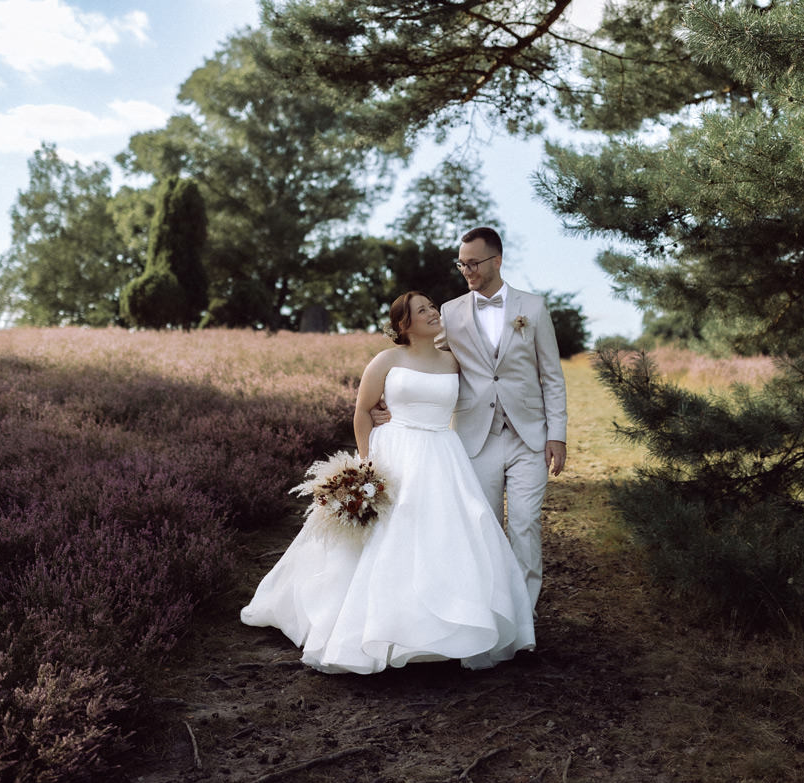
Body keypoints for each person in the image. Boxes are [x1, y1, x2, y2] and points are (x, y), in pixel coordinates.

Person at [240, 291, 536, 674]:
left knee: (449, 533)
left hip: (442, 453)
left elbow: (489, 388)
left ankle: (445, 627)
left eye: (432, 307)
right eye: (422, 310)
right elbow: (363, 412)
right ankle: (374, 628)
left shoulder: (454, 360)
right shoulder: (387, 360)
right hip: (395, 452)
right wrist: (366, 467)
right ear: (403, 324)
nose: (433, 313)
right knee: (387, 536)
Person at [373, 227, 567, 610]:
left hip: (530, 436)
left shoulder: (533, 308)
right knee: (483, 527)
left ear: (497, 261)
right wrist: (390, 395)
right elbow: (423, 358)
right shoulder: (450, 312)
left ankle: (523, 616)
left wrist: (557, 434)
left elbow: (552, 376)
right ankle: (491, 611)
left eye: (474, 263)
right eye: (461, 264)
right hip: (476, 438)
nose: (467, 271)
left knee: (525, 526)